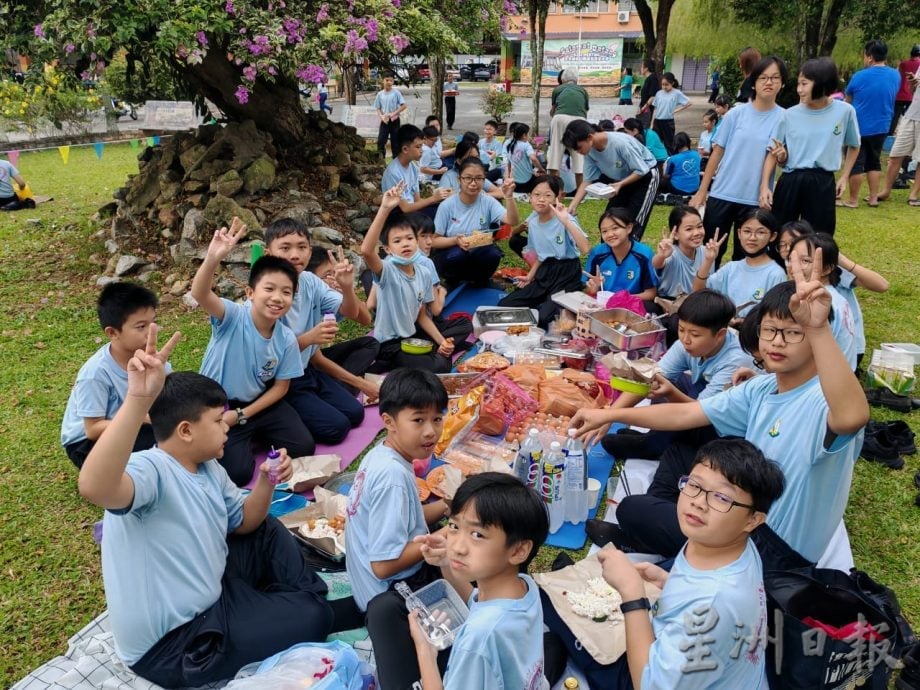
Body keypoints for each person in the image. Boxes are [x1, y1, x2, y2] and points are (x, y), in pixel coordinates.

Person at [78, 331, 336, 688]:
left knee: (266, 528)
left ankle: (285, 603)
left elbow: (246, 522)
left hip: (211, 592)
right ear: (185, 430)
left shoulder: (207, 467)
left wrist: (266, 481)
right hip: (179, 643)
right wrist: (138, 399)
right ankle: (295, 605)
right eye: (217, 421)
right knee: (314, 617)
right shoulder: (151, 470)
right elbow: (95, 487)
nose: (226, 428)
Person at [572, 267, 871, 566]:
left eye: (793, 332)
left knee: (633, 511)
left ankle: (664, 543)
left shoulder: (823, 400)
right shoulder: (763, 387)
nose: (778, 342)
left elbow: (852, 416)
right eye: (770, 330)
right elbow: (688, 413)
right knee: (681, 456)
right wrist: (609, 414)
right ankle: (669, 531)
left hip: (773, 552)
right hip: (740, 517)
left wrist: (818, 328)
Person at [593, 439, 785, 690]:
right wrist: (667, 581)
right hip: (717, 668)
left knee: (576, 634)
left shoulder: (713, 604)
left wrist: (633, 596)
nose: (698, 502)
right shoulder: (730, 544)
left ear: (753, 520)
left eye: (721, 498)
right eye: (694, 485)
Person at [345, 368, 454, 689]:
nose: (430, 431)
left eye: (437, 419)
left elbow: (410, 519)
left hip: (373, 587)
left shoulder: (382, 455)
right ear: (389, 421)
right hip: (389, 596)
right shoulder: (393, 478)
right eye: (418, 420)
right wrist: (447, 535)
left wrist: (450, 506)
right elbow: (383, 566)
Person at [193, 220, 313, 486]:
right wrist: (213, 258)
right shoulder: (233, 317)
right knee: (238, 473)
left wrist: (243, 415)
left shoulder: (286, 338)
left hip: (253, 405)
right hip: (218, 405)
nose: (277, 298)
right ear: (250, 293)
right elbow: (200, 294)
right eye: (269, 289)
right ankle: (237, 436)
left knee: (304, 445)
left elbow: (281, 387)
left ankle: (251, 432)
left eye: (286, 292)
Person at [410, 473, 551, 690]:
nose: (457, 547)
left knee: (384, 614)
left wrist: (425, 651)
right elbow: (479, 603)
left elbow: (482, 628)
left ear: (519, 550)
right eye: (454, 527)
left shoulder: (477, 640)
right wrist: (447, 563)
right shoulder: (523, 586)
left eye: (477, 535)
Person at [599, 289, 754, 463]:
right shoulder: (687, 343)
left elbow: (701, 413)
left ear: (720, 335)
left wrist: (670, 393)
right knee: (662, 379)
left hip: (724, 429)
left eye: (695, 334)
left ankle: (655, 446)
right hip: (701, 405)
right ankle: (656, 436)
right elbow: (650, 377)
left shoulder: (735, 361)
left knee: (687, 387)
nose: (685, 339)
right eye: (681, 329)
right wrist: (607, 417)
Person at [263, 218, 369, 444]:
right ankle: (284, 418)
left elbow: (351, 313)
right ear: (268, 252)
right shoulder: (266, 294)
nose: (294, 254)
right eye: (285, 248)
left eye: (301, 247)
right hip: (280, 379)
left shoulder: (310, 281)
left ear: (309, 252)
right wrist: (309, 338)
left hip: (307, 369)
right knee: (336, 429)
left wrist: (348, 287)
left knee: (356, 413)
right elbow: (267, 354)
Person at [690, 57, 788, 266]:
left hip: (755, 199)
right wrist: (702, 191)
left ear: (782, 83)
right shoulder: (735, 114)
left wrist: (780, 160)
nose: (768, 82)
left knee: (745, 256)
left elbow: (776, 156)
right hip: (723, 193)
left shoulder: (784, 118)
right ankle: (704, 296)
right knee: (710, 251)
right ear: (753, 82)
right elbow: (717, 153)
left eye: (774, 78)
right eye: (763, 78)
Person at [61, 283, 164, 469]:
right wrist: (139, 417)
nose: (151, 332)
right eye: (141, 326)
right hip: (86, 445)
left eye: (153, 322)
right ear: (112, 332)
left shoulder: (151, 358)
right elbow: (92, 429)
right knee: (159, 449)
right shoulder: (95, 373)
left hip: (133, 426)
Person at [761, 57, 860, 236]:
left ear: (822, 83)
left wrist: (844, 177)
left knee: (820, 236)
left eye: (804, 84)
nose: (799, 89)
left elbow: (854, 145)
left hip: (822, 182)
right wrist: (764, 186)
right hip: (791, 179)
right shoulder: (789, 115)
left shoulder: (845, 111)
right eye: (798, 84)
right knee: (780, 232)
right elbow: (773, 153)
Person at [361, 184, 454, 373]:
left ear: (416, 242)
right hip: (390, 345)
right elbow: (366, 251)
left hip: (411, 338)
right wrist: (385, 208)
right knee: (437, 366)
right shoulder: (387, 271)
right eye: (397, 241)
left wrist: (442, 341)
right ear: (387, 249)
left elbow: (422, 315)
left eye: (410, 238)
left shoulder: (424, 272)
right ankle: (387, 362)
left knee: (446, 356)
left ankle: (411, 360)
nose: (405, 244)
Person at [497, 176, 590, 326]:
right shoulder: (533, 221)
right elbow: (541, 255)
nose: (541, 199)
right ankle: (548, 300)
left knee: (545, 318)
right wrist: (530, 276)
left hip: (567, 273)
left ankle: (565, 297)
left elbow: (586, 248)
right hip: (545, 271)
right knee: (505, 304)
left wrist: (566, 221)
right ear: (530, 197)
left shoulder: (564, 218)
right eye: (537, 194)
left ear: (555, 199)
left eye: (547, 195)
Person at [563, 120, 660, 240]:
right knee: (609, 221)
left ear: (589, 137)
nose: (578, 152)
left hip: (645, 176)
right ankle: (608, 255)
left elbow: (641, 170)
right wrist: (573, 206)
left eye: (578, 148)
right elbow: (587, 180)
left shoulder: (619, 143)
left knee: (634, 224)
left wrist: (620, 184)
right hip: (621, 181)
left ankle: (630, 253)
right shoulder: (589, 152)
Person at [305, 251, 382, 399]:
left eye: (336, 272)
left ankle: (342, 385)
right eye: (328, 274)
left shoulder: (332, 298)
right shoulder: (305, 300)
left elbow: (366, 320)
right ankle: (343, 387)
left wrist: (348, 290)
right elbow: (316, 360)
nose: (335, 278)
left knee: (370, 343)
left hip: (317, 357)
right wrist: (359, 383)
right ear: (311, 279)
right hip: (305, 363)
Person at [432, 158, 519, 289]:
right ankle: (453, 281)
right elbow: (434, 241)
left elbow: (513, 221)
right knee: (457, 255)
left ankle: (480, 280)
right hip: (450, 254)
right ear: (459, 180)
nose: (473, 183)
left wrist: (509, 197)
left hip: (477, 250)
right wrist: (456, 240)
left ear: (484, 180)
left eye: (479, 178)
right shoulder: (447, 205)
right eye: (468, 178)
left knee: (493, 254)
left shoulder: (487, 201)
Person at [692, 208, 785, 318]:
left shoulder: (775, 274)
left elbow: (774, 314)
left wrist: (744, 323)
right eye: (747, 231)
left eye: (760, 232)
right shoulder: (731, 268)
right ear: (739, 233)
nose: (752, 237)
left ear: (772, 236)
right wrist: (708, 261)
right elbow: (698, 292)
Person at [841, 40, 901, 208]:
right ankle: (874, 198)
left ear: (870, 57)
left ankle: (853, 200)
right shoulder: (895, 75)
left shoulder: (859, 76)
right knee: (874, 162)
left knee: (856, 164)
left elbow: (848, 99)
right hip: (882, 125)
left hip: (860, 126)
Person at [787, 232, 857, 370]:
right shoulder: (832, 295)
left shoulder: (820, 301)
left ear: (826, 268)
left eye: (805, 261)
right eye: (792, 259)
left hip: (823, 381)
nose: (793, 266)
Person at [583, 207, 658, 302]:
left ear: (629, 228)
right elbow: (587, 291)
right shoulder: (597, 253)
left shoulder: (644, 254)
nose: (610, 234)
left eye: (615, 228)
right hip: (603, 305)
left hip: (632, 305)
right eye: (604, 231)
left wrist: (623, 299)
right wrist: (593, 289)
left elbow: (651, 293)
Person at [381, 124, 452, 217]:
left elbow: (417, 200)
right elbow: (405, 208)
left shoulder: (413, 167)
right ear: (405, 149)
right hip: (399, 216)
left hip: (412, 211)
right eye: (418, 147)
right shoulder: (393, 172)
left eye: (422, 146)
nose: (422, 150)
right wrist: (433, 199)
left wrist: (440, 198)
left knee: (445, 208)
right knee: (441, 215)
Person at [879, 63, 920, 205]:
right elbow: (914, 91)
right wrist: (913, 83)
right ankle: (885, 191)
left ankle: (913, 195)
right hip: (911, 115)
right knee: (896, 154)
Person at [652, 205, 706, 299]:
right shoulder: (671, 252)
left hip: (697, 302)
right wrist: (661, 256)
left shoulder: (706, 252)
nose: (697, 233)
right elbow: (657, 264)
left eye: (699, 226)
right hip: (670, 303)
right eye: (689, 229)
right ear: (676, 234)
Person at [547, 68, 589, 190]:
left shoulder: (557, 89)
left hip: (559, 119)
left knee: (555, 155)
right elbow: (585, 110)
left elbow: (553, 110)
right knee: (579, 157)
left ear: (563, 80)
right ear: (576, 79)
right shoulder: (583, 91)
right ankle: (580, 191)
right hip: (579, 121)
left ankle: (555, 191)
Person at [438, 139, 503, 199]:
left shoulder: (478, 176)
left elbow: (500, 193)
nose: (474, 161)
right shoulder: (448, 177)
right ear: (459, 161)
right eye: (469, 158)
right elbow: (443, 199)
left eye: (476, 157)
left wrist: (483, 195)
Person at [650, 72, 691, 154]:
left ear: (672, 83)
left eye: (666, 84)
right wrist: (652, 123)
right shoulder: (659, 93)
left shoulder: (677, 93)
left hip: (668, 122)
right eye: (663, 84)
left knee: (669, 144)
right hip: (657, 122)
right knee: (655, 142)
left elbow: (689, 103)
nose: (664, 87)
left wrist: (676, 111)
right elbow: (655, 108)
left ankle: (671, 159)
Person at [504, 122, 546, 194]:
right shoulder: (526, 145)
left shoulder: (509, 145)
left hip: (515, 185)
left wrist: (507, 177)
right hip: (527, 183)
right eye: (528, 134)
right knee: (544, 171)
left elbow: (508, 164)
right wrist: (541, 169)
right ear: (524, 135)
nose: (529, 136)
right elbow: (533, 159)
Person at [374, 72, 407, 159]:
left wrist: (394, 113)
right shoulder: (380, 94)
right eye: (387, 80)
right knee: (381, 141)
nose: (389, 82)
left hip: (395, 121)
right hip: (384, 121)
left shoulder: (396, 93)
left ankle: (396, 161)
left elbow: (404, 105)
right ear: (383, 81)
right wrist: (381, 117)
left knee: (395, 142)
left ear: (393, 81)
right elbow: (377, 108)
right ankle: (380, 159)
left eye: (391, 80)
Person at [660, 131, 701, 196]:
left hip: (678, 189)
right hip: (695, 188)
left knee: (662, 182)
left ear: (675, 144)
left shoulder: (673, 159)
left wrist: (664, 166)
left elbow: (666, 176)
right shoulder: (697, 154)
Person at [894, 44, 920, 131]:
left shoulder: (903, 64)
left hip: (900, 94)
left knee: (895, 117)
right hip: (911, 96)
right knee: (909, 120)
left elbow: (897, 76)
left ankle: (889, 135)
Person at [637, 58, 660, 129]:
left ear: (646, 68)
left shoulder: (652, 78)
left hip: (648, 110)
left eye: (641, 67)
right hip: (645, 109)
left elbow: (653, 96)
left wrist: (643, 108)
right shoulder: (648, 79)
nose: (640, 68)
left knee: (645, 129)